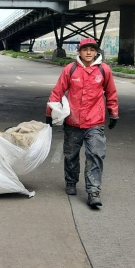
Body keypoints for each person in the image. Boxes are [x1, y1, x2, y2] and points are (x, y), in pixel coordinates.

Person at [46, 37, 119, 208]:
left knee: (95, 154)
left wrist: (113, 113)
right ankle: (71, 182)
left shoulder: (104, 70)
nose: (88, 53)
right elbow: (57, 92)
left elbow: (111, 93)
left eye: (92, 50)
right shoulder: (70, 70)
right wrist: (49, 113)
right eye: (85, 49)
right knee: (71, 155)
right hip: (72, 122)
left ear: (96, 52)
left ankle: (93, 191)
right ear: (79, 51)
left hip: (95, 122)